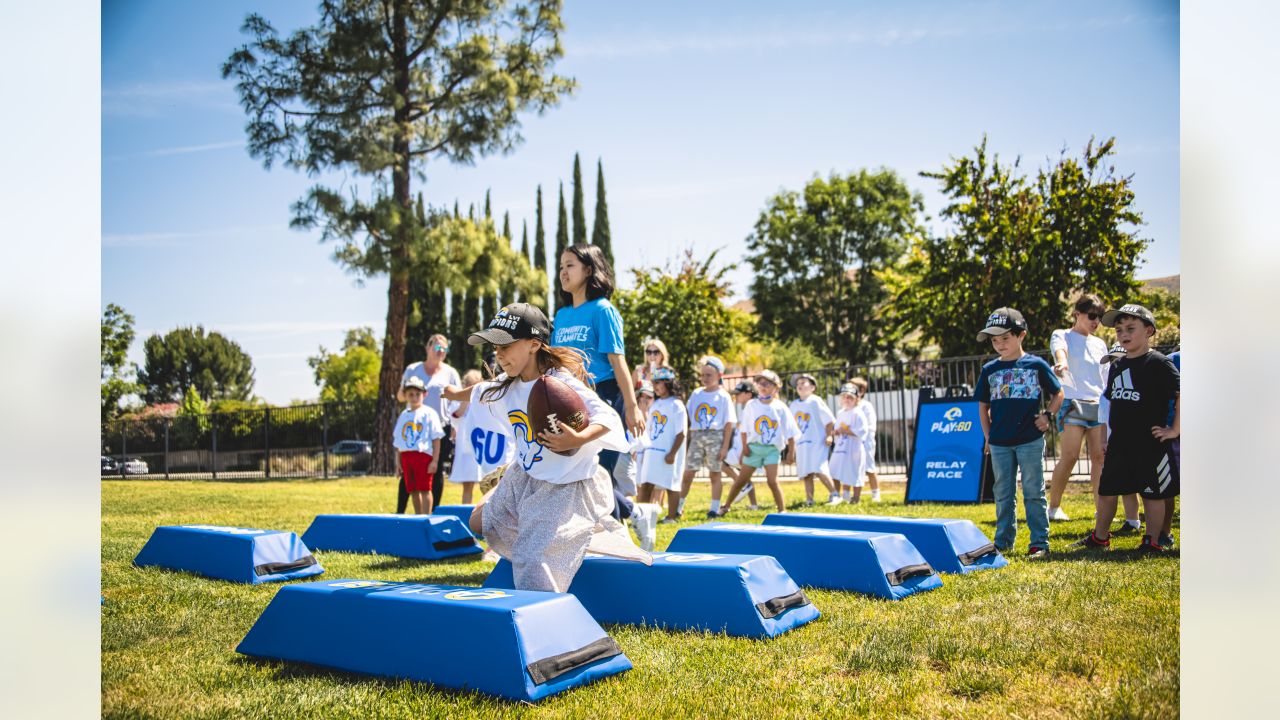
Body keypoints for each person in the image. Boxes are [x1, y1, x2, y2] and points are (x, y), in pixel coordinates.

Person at [443, 302, 650, 592]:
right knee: (479, 523)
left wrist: (577, 438)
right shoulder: (506, 384)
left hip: (562, 487)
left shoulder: (559, 384)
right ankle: (558, 534)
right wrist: (454, 393)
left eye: (505, 345)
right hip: (523, 476)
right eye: (494, 346)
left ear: (534, 344)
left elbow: (608, 418)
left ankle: (549, 611)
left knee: (531, 557)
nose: (498, 353)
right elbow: (480, 390)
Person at [1073, 304, 1179, 554]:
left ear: (1149, 330)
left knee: (1152, 494)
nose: (1124, 334)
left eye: (1131, 328)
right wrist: (1106, 437)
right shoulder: (1118, 366)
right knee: (1107, 491)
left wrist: (1174, 430)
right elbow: (1111, 404)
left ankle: (1152, 540)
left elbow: (1181, 392)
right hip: (1120, 443)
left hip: (1150, 443)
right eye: (1119, 330)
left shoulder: (1159, 363)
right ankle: (1100, 538)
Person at [551, 244, 645, 522]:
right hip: (570, 397)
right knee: (578, 473)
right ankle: (635, 513)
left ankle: (617, 538)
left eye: (570, 265)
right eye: (560, 266)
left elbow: (618, 362)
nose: (563, 272)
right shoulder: (562, 315)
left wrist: (631, 406)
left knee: (599, 473)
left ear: (589, 270)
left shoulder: (603, 310)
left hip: (603, 395)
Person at [1046, 295, 1141, 532]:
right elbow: (1060, 352)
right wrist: (1062, 364)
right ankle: (1054, 507)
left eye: (1099, 316)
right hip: (1073, 403)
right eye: (1091, 315)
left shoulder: (1100, 343)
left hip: (1098, 404)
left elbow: (1106, 376)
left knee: (1099, 458)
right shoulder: (1062, 334)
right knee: (1069, 457)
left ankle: (1101, 509)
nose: (1096, 320)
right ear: (1077, 314)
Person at [974, 307, 1064, 560]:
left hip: (1030, 441)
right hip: (1000, 443)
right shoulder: (989, 370)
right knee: (1003, 493)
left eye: (1005, 338)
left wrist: (1048, 416)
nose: (999, 344)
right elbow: (983, 405)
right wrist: (988, 436)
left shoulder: (1035, 364)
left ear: (1021, 334)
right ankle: (1003, 542)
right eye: (994, 340)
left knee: (1033, 491)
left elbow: (1058, 393)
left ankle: (1039, 542)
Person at [719, 370, 799, 515]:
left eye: (767, 383)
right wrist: (745, 448)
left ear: (776, 387)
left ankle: (782, 510)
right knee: (741, 480)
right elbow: (744, 429)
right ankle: (726, 506)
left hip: (771, 451)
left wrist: (791, 453)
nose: (763, 386)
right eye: (760, 383)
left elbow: (791, 432)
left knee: (772, 481)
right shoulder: (751, 405)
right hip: (753, 449)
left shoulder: (780, 407)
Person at [399, 334, 463, 512]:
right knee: (409, 469)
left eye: (444, 349)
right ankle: (400, 512)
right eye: (437, 348)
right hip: (415, 428)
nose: (441, 352)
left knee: (435, 470)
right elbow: (401, 394)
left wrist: (454, 424)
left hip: (440, 428)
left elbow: (456, 400)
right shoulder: (413, 369)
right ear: (428, 348)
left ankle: (433, 512)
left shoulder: (450, 373)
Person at [679, 356, 737, 518]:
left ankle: (714, 508)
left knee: (714, 473)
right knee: (688, 473)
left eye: (709, 375)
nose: (704, 378)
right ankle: (678, 507)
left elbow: (728, 423)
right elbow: (688, 416)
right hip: (697, 435)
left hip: (715, 436)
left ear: (719, 375)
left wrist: (725, 447)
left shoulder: (723, 396)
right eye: (702, 375)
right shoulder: (696, 394)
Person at [447, 368, 513, 504]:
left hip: (484, 446)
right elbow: (456, 416)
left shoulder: (487, 399)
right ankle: (467, 510)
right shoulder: (460, 402)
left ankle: (488, 507)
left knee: (490, 481)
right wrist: (468, 399)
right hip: (467, 448)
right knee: (468, 484)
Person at [637, 367, 687, 523]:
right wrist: (645, 451)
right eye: (653, 383)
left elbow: (682, 432)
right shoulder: (656, 404)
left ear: (668, 383)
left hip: (669, 453)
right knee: (646, 484)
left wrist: (672, 453)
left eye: (657, 383)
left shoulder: (677, 405)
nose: (655, 386)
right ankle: (641, 517)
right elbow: (650, 429)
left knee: (671, 485)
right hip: (652, 451)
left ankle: (672, 517)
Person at [392, 376, 444, 514]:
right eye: (410, 394)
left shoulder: (429, 413)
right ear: (405, 396)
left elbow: (436, 439)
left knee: (425, 489)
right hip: (407, 456)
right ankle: (418, 516)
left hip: (423, 456)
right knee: (413, 490)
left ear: (424, 394)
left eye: (417, 394)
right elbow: (398, 442)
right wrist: (398, 464)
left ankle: (426, 517)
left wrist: (435, 461)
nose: (414, 397)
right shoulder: (403, 415)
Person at [789, 373, 837, 506]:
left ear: (813, 387)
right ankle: (809, 500)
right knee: (806, 473)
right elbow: (791, 426)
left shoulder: (816, 401)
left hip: (817, 442)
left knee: (819, 468)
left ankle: (835, 494)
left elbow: (829, 421)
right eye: (798, 384)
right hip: (802, 444)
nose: (800, 386)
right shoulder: (793, 405)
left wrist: (829, 435)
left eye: (803, 383)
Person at [723, 380, 761, 510]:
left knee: (721, 462)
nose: (736, 396)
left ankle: (742, 485)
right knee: (745, 475)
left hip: (743, 447)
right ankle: (754, 504)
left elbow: (750, 430)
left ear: (749, 394)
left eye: (739, 394)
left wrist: (743, 450)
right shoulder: (750, 406)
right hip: (742, 446)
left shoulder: (751, 406)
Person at [830, 383, 868, 504]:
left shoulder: (858, 413)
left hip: (854, 448)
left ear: (856, 399)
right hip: (842, 447)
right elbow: (837, 428)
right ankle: (842, 496)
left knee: (855, 472)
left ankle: (856, 498)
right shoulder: (841, 413)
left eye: (850, 397)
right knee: (839, 470)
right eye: (844, 397)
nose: (847, 400)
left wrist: (846, 431)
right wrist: (836, 432)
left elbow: (862, 431)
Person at [848, 376, 880, 502]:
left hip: (865, 442)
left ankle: (875, 494)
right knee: (853, 468)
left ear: (861, 391)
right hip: (852, 442)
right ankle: (850, 495)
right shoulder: (848, 406)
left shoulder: (866, 406)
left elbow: (871, 426)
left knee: (869, 467)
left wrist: (858, 433)